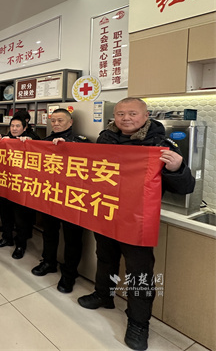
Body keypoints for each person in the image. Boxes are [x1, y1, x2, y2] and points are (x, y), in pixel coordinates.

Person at [78, 98, 195, 351]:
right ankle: (104, 295)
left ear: (146, 115)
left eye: (132, 113)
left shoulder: (161, 144)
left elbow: (186, 187)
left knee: (139, 272)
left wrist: (177, 168)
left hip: (138, 219)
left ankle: (139, 322)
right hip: (106, 211)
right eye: (120, 114)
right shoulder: (105, 138)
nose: (126, 118)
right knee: (105, 257)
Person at [31, 108, 91, 295]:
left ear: (70, 122)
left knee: (73, 238)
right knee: (49, 231)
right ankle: (48, 262)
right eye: (53, 121)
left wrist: (69, 147)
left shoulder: (82, 141)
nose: (56, 124)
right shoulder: (46, 141)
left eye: (60, 120)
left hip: (73, 198)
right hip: (50, 195)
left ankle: (69, 274)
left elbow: (92, 165)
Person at [0, 114, 38, 259]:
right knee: (5, 213)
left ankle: (20, 245)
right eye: (12, 126)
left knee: (20, 219)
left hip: (21, 186)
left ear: (24, 128)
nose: (14, 128)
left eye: (18, 126)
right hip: (5, 183)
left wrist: (30, 142)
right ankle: (7, 238)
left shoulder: (30, 139)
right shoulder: (6, 139)